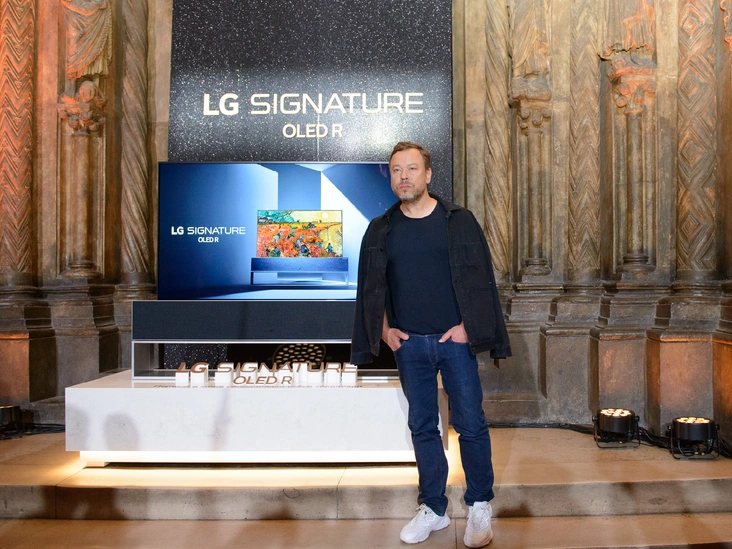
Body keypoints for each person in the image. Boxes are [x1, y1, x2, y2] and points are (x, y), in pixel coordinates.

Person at [351, 142, 511, 547]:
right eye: (396, 170)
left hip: (454, 342)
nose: (403, 176)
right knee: (422, 427)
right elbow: (371, 288)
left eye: (411, 169)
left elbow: (480, 280)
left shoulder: (458, 221)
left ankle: (479, 505)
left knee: (470, 424)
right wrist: (385, 331)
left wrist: (467, 328)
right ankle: (434, 508)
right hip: (410, 347)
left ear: (428, 175)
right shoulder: (381, 228)